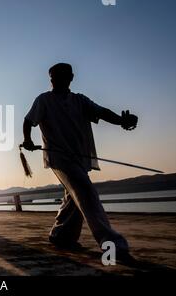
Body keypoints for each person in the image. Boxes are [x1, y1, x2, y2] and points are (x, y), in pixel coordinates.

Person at [22, 63, 138, 263]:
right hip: (59, 158)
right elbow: (28, 120)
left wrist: (121, 121)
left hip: (79, 158)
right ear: (50, 79)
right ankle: (112, 245)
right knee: (86, 192)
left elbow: (102, 112)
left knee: (74, 198)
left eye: (61, 76)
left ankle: (60, 235)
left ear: (71, 77)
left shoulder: (80, 100)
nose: (55, 80)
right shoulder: (44, 100)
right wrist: (28, 139)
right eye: (53, 76)